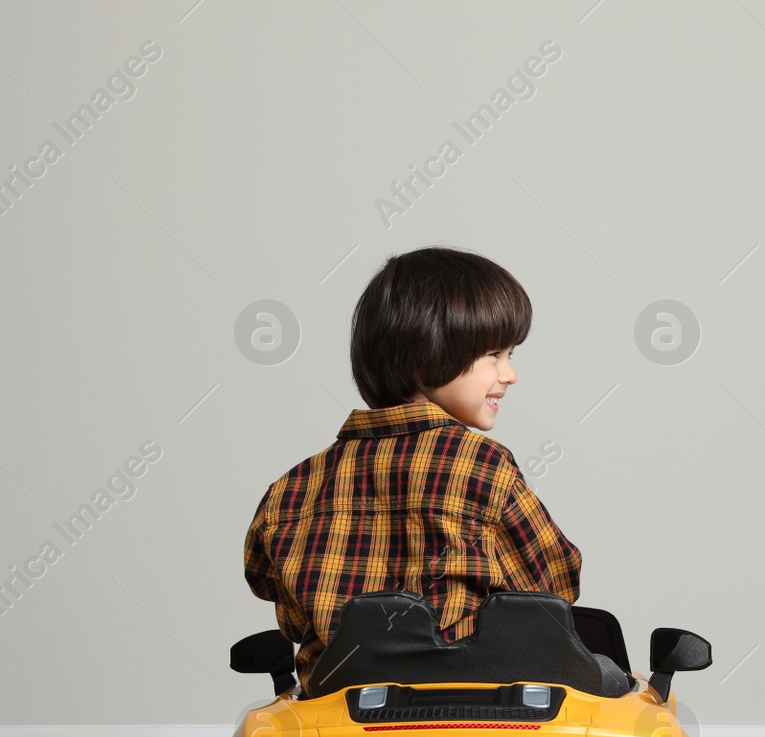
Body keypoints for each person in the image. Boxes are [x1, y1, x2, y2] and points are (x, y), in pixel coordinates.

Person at [244, 247, 582, 690]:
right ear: (426, 355)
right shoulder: (483, 466)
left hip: (341, 704)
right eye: (495, 354)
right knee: (612, 681)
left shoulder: (291, 489)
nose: (510, 374)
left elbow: (285, 608)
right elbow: (554, 586)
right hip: (470, 701)